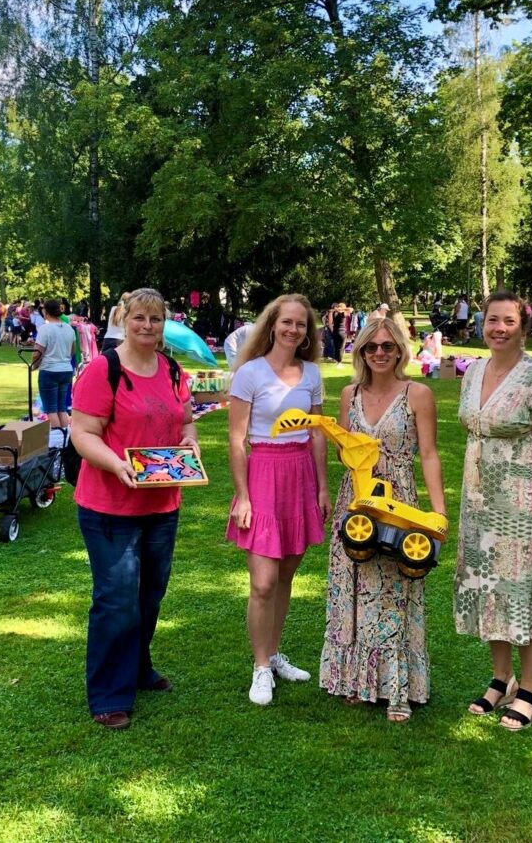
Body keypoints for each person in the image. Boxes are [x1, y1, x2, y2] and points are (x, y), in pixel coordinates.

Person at [71, 287, 196, 731]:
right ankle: (108, 694)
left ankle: (138, 668)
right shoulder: (102, 370)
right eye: (139, 318)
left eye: (155, 319)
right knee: (116, 599)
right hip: (110, 505)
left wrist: (190, 444)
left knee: (149, 594)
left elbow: (184, 422)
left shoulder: (173, 369)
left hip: (162, 502)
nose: (147, 326)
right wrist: (115, 463)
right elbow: (82, 434)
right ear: (124, 319)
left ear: (165, 325)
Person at [456, 291, 532, 732]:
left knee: (524, 592)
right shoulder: (472, 373)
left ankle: (528, 687)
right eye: (492, 320)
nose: (499, 328)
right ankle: (499, 676)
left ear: (522, 327)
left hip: (522, 507)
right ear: (482, 324)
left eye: (509, 321)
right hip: (478, 500)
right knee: (490, 586)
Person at [319, 317, 445, 722]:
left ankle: (397, 688)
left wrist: (438, 511)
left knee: (393, 590)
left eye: (387, 347)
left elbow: (428, 454)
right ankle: (356, 680)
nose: (379, 354)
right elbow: (341, 448)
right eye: (371, 347)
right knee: (351, 587)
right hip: (356, 501)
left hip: (398, 499)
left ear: (400, 351)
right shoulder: (348, 394)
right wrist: (352, 450)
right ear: (360, 351)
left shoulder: (418, 394)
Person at [227, 294, 329, 707]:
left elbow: (319, 432)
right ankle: (260, 667)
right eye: (287, 322)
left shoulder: (312, 373)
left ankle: (272, 653)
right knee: (263, 582)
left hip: (300, 475)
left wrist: (322, 487)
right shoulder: (249, 373)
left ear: (308, 332)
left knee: (285, 576)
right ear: (272, 324)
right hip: (263, 475)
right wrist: (242, 495)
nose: (293, 330)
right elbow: (236, 439)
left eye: (301, 324)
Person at [31, 299, 77, 433]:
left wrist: (33, 366)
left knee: (51, 409)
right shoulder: (69, 328)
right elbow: (73, 350)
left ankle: (57, 440)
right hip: (66, 369)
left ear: (46, 311)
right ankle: (66, 437)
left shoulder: (45, 329)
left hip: (49, 370)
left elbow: (37, 352)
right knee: (61, 408)